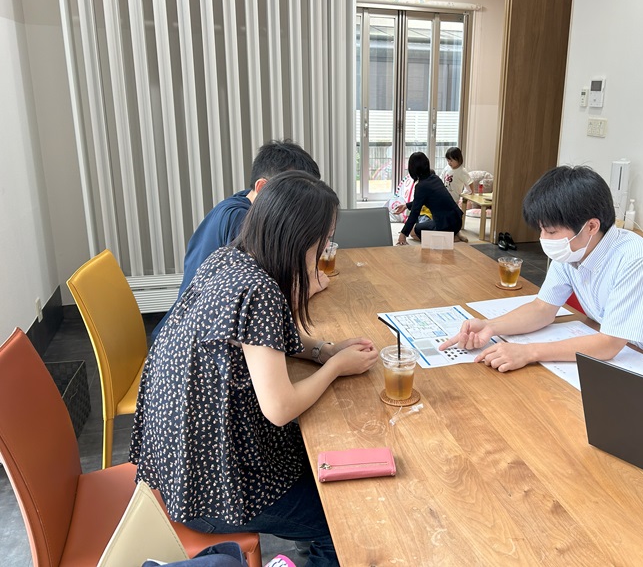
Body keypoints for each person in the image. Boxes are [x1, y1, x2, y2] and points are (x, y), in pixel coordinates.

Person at [130, 171, 379, 567]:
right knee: (344, 519)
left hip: (175, 464)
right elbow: (279, 408)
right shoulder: (259, 290)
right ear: (299, 240)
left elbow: (264, 340)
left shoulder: (229, 259)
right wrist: (335, 367)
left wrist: (324, 351)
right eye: (324, 239)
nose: (326, 249)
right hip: (207, 490)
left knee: (319, 459)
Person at [439, 165, 643, 378]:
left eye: (551, 231)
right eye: (541, 229)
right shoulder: (572, 249)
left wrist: (529, 352)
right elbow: (542, 308)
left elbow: (609, 343)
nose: (543, 238)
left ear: (591, 226)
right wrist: (489, 327)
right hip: (620, 358)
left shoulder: (636, 259)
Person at [152, 140, 324, 340]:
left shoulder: (243, 202)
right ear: (262, 187)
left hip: (189, 331)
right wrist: (309, 287)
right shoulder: (242, 220)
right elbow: (265, 306)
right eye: (293, 197)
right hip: (190, 342)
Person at [394, 152, 466, 245]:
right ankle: (455, 233)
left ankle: (450, 238)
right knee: (429, 224)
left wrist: (403, 234)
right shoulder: (435, 178)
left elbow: (415, 212)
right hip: (457, 221)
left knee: (413, 233)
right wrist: (406, 206)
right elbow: (424, 200)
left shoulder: (421, 186)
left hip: (445, 225)